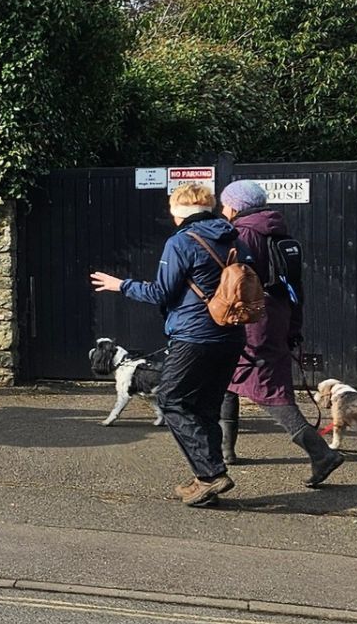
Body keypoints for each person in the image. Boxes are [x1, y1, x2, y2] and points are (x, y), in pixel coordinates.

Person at [90, 182, 247, 507]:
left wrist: (122, 285)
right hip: (231, 335)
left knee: (172, 400)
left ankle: (212, 473)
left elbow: (161, 293)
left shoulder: (182, 242)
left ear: (178, 212)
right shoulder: (234, 237)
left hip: (193, 336)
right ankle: (205, 480)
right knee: (204, 408)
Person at [218, 180, 343, 486]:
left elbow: (232, 283)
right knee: (228, 380)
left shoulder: (243, 235)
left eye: (225, 204)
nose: (222, 210)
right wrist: (294, 326)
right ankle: (226, 451)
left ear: (235, 206)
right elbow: (294, 288)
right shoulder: (279, 233)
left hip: (252, 323)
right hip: (276, 318)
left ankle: (322, 453)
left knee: (270, 392)